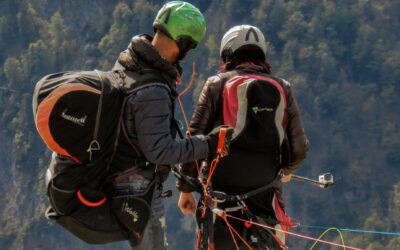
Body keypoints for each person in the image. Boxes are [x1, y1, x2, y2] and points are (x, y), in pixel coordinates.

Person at [176, 25, 309, 249]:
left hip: (219, 201)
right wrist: (285, 170)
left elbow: (195, 139)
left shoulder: (216, 85)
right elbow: (299, 149)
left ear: (227, 53)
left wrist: (185, 188)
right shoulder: (283, 88)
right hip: (265, 202)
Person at [109, 2, 226, 249]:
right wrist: (208, 144)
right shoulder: (154, 88)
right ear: (182, 43)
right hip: (137, 188)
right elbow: (160, 151)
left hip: (116, 175)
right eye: (189, 46)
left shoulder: (129, 63)